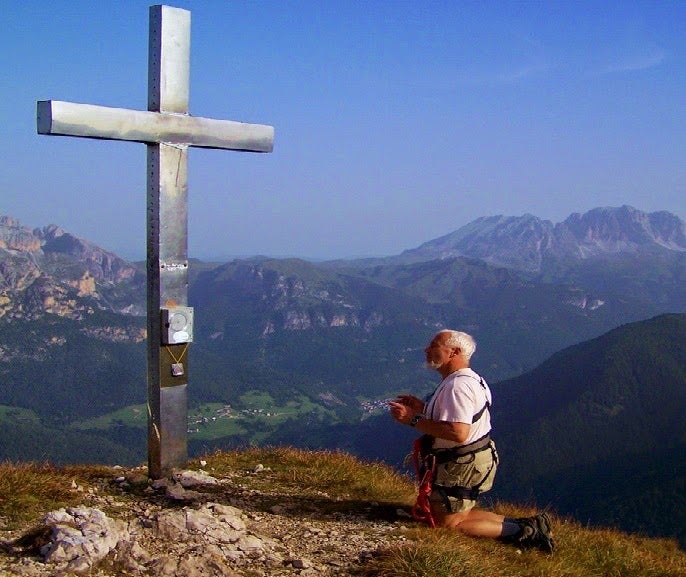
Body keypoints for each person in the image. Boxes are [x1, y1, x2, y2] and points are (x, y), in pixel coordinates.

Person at [389, 329, 554, 552]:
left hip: (460, 464)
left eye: (434, 345)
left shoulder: (458, 386)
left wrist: (412, 419)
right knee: (458, 514)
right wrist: (424, 409)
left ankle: (524, 532)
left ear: (453, 352)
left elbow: (458, 432)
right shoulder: (470, 379)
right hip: (472, 458)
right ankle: (525, 524)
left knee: (447, 525)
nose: (427, 350)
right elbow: (461, 419)